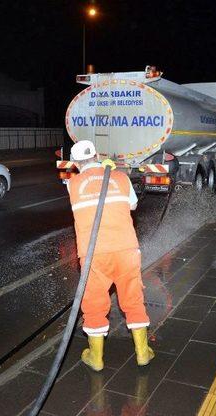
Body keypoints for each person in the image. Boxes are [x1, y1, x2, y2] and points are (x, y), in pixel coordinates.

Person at [67, 139, 154, 371]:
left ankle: (96, 358)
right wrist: (113, 170)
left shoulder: (72, 184)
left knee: (94, 304)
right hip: (126, 249)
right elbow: (133, 206)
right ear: (97, 155)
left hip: (93, 254)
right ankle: (143, 353)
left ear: (75, 163)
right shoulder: (121, 178)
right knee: (133, 299)